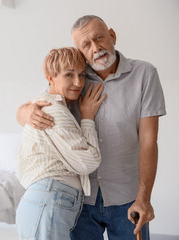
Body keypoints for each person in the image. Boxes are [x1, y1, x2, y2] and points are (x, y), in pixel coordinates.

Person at [16, 15, 166, 240]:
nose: (96, 48)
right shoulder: (74, 77)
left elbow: (148, 142)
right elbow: (40, 103)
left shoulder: (144, 74)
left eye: (100, 38)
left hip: (127, 198)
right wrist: (24, 112)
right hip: (81, 201)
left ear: (112, 36)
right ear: (80, 51)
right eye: (86, 44)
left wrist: (144, 198)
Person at [16, 47, 106, 240]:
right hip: (49, 198)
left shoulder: (45, 106)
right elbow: (88, 162)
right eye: (69, 75)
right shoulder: (53, 110)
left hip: (48, 200)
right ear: (50, 78)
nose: (78, 82)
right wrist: (88, 118)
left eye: (81, 74)